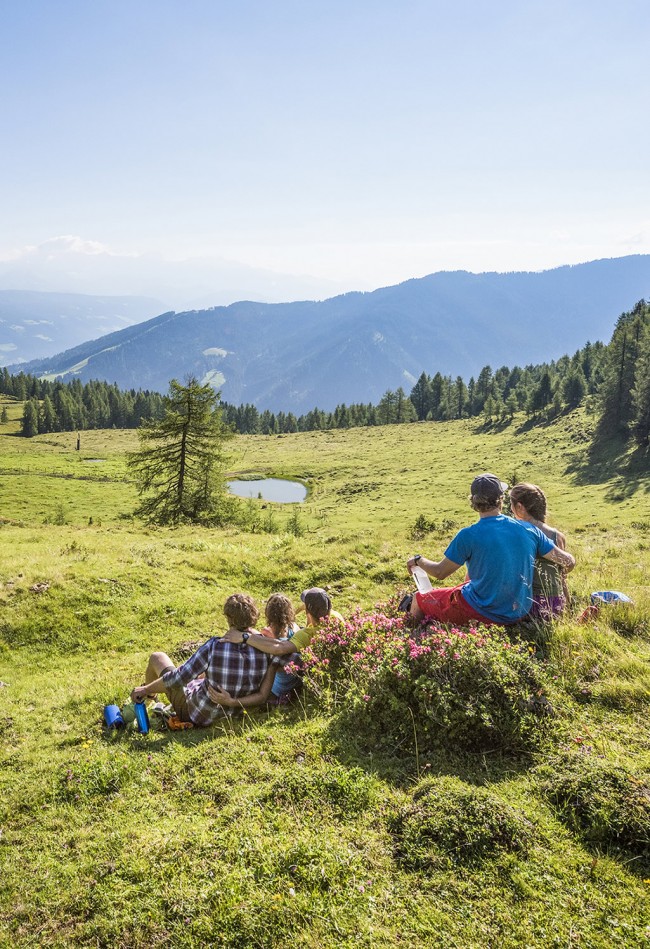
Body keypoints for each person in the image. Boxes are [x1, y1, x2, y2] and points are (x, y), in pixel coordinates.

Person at [404, 473, 575, 626]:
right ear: (501, 500)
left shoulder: (467, 535)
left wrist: (418, 560)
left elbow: (440, 572)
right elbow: (568, 561)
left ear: (473, 502)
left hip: (481, 611)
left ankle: (409, 638)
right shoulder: (529, 530)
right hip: (517, 612)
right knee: (461, 588)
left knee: (419, 599)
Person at [130, 593, 276, 726]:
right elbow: (262, 696)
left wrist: (145, 688)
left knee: (158, 657)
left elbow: (178, 678)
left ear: (229, 619)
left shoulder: (214, 646)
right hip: (239, 714)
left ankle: (147, 697)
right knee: (202, 675)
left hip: (199, 714)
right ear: (254, 617)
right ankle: (150, 696)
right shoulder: (267, 647)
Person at [212, 588, 343, 707]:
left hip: (277, 687)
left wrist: (245, 637)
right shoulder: (336, 617)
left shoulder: (306, 635)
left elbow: (279, 648)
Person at [509, 482, 569, 620]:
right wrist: (567, 606)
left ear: (519, 507)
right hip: (556, 604)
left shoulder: (519, 532)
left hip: (527, 604)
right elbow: (562, 578)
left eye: (512, 505)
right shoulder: (557, 536)